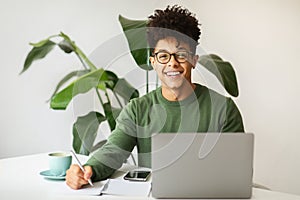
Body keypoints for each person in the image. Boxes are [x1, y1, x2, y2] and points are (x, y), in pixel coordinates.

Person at [66, 5, 244, 189]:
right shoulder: (138, 109)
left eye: (181, 55)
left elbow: (237, 169)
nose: (172, 63)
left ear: (194, 60)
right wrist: (88, 169)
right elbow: (113, 151)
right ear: (153, 62)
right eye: (163, 56)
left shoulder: (224, 109)